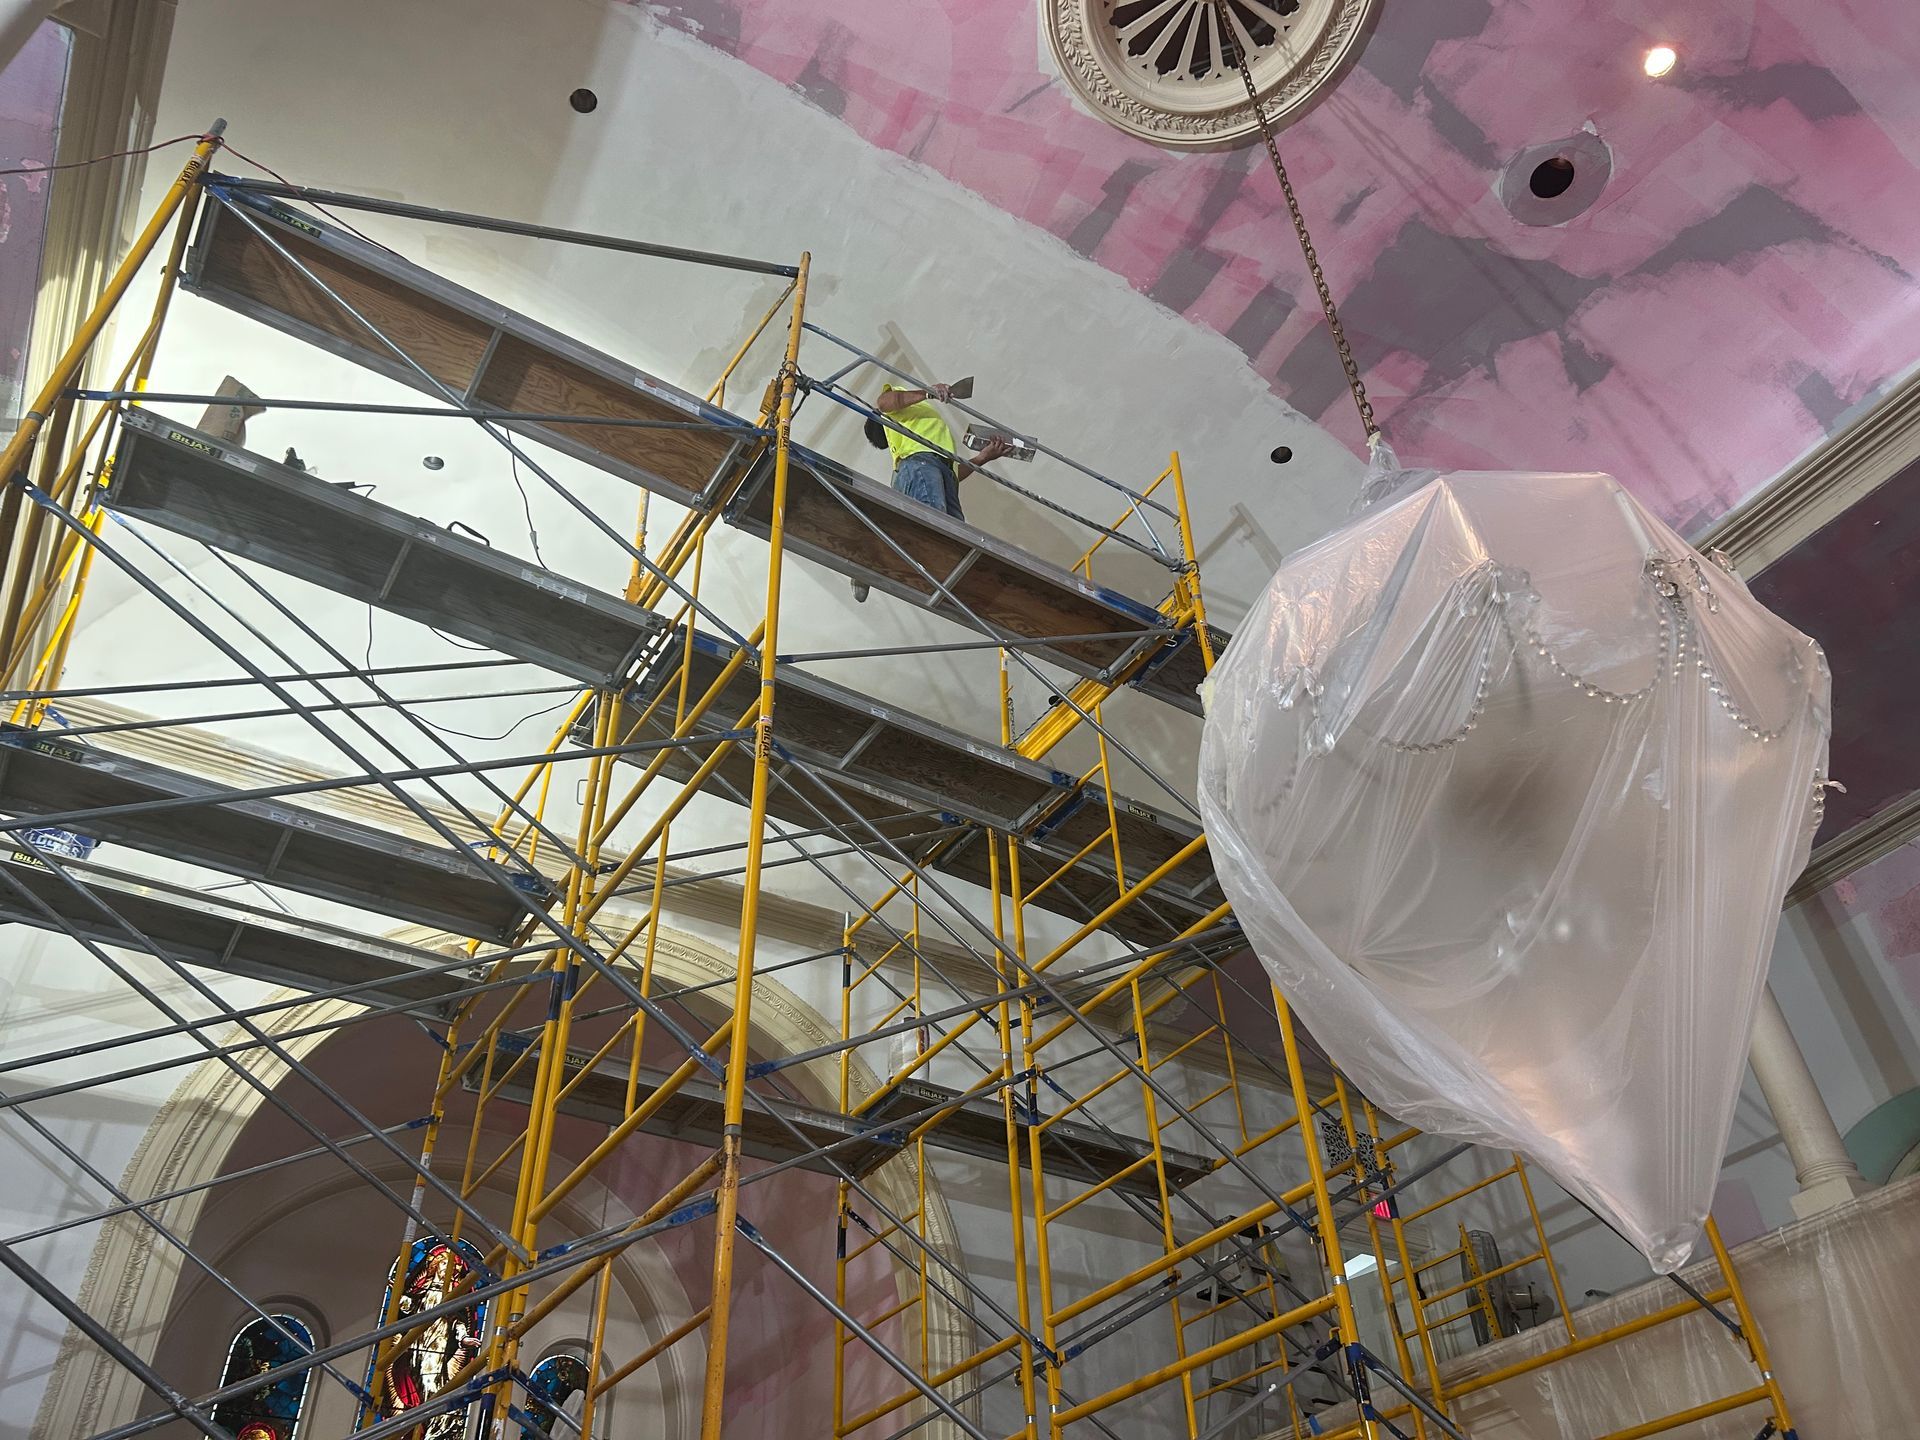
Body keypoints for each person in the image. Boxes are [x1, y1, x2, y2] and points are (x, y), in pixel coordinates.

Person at [854, 381, 1011, 602]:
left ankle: (870, 560)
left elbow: (953, 472)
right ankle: (868, 560)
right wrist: (927, 392)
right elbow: (883, 403)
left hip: (940, 469)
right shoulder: (898, 410)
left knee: (955, 536)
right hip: (920, 464)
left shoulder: (929, 429)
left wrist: (983, 457)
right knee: (932, 527)